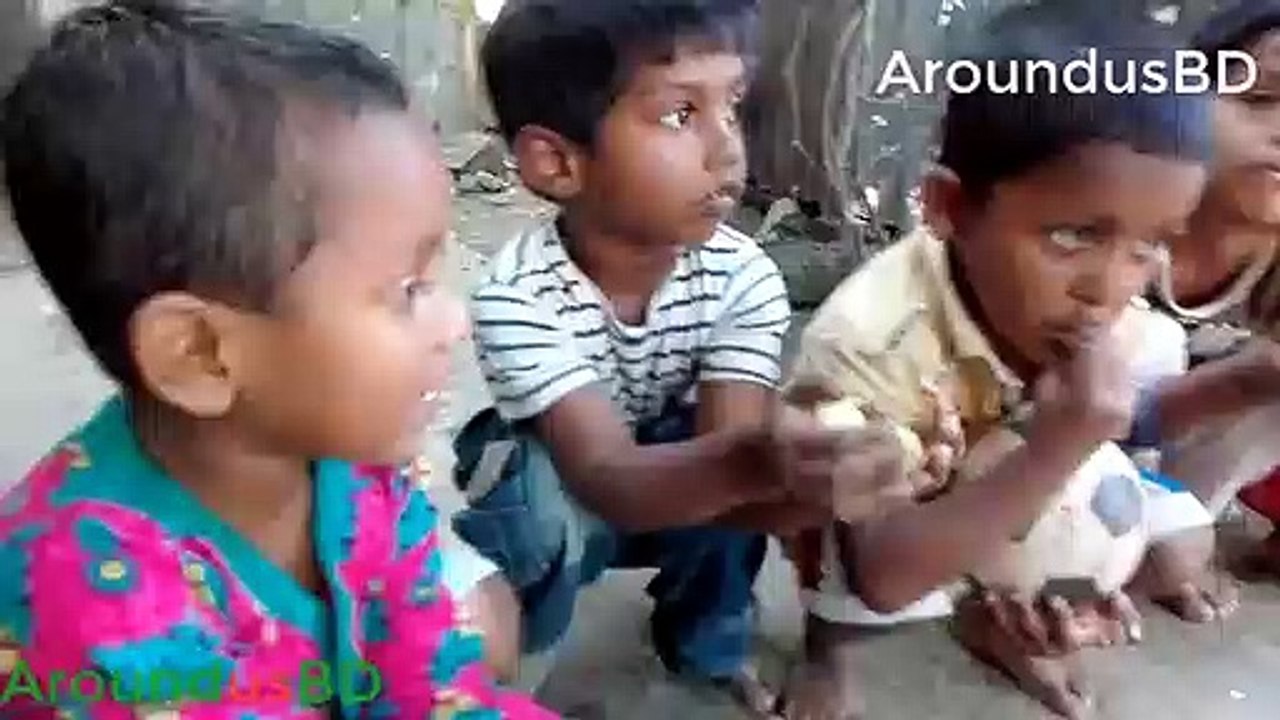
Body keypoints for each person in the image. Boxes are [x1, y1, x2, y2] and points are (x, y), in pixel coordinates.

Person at [0, 2, 549, 717]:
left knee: (486, 624)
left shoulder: (344, 463)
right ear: (201, 355)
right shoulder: (94, 614)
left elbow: (431, 679)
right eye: (407, 290)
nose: (453, 322)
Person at [450, 0, 914, 711]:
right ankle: (515, 674)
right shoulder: (516, 297)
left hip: (675, 462)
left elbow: (734, 472)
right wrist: (755, 462)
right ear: (558, 162)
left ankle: (707, 646)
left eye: (732, 105)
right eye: (679, 114)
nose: (728, 148)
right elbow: (607, 479)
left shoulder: (744, 277)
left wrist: (818, 480)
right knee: (531, 499)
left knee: (731, 465)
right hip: (578, 482)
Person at [782, 5, 1220, 718]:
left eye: (1150, 245)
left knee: (1177, 547)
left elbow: (1122, 446)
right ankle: (826, 653)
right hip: (893, 495)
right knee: (840, 559)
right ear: (950, 206)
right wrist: (1059, 445)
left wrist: (1081, 568)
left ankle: (1007, 621)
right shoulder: (868, 339)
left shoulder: (1107, 314)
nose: (1108, 290)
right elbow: (883, 577)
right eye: (1075, 235)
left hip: (1001, 467)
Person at [1137, 0, 1280, 599]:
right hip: (1052, 438)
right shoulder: (1126, 220)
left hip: (1178, 475)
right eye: (1259, 99)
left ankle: (1170, 536)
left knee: (1172, 558)